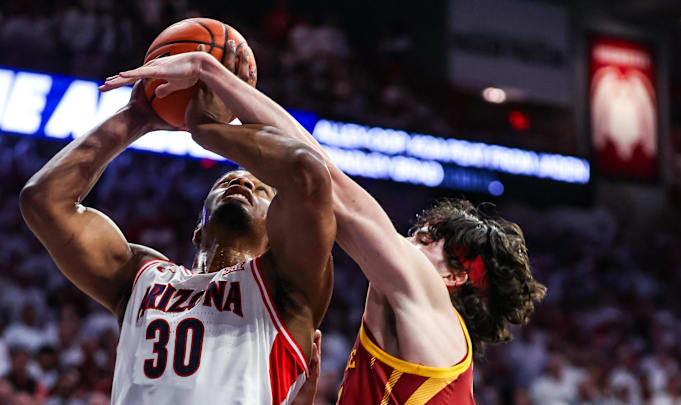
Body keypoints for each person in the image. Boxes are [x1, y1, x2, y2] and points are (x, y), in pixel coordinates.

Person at [102, 40, 546, 404]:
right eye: (419, 231)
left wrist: (211, 76)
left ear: (453, 276)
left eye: (429, 240)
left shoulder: (430, 302)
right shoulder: (402, 347)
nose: (409, 239)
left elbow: (324, 176)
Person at [21, 41, 335, 404]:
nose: (242, 181)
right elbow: (44, 201)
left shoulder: (288, 286)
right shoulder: (142, 276)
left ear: (278, 230)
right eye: (226, 182)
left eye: (261, 188)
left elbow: (308, 173)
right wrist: (135, 117)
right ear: (197, 227)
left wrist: (204, 128)